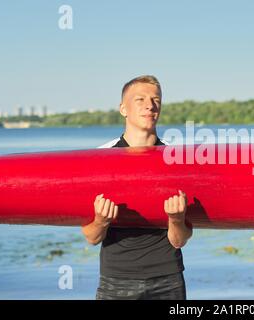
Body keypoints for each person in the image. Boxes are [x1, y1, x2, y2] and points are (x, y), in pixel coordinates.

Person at [81, 75, 193, 300]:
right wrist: (101, 221)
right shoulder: (100, 157)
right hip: (116, 279)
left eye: (156, 100)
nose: (150, 105)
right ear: (123, 109)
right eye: (140, 99)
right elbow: (91, 237)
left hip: (167, 278)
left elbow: (179, 240)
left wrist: (176, 219)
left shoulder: (177, 159)